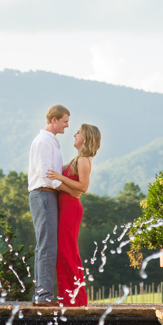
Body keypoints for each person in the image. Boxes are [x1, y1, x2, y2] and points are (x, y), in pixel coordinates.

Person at [47, 123, 101, 307]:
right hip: (66, 207)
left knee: (67, 252)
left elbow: (83, 188)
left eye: (77, 133)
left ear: (85, 137)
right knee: (65, 252)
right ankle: (69, 297)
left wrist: (60, 178)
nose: (74, 135)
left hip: (71, 209)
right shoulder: (75, 160)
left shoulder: (84, 160)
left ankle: (75, 300)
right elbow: (65, 184)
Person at [27, 104, 70, 306]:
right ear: (54, 120)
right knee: (47, 245)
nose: (67, 125)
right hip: (43, 194)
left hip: (48, 195)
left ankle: (41, 294)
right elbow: (46, 176)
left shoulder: (52, 141)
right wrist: (69, 188)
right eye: (64, 121)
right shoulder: (44, 141)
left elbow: (55, 173)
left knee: (46, 244)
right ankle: (43, 296)